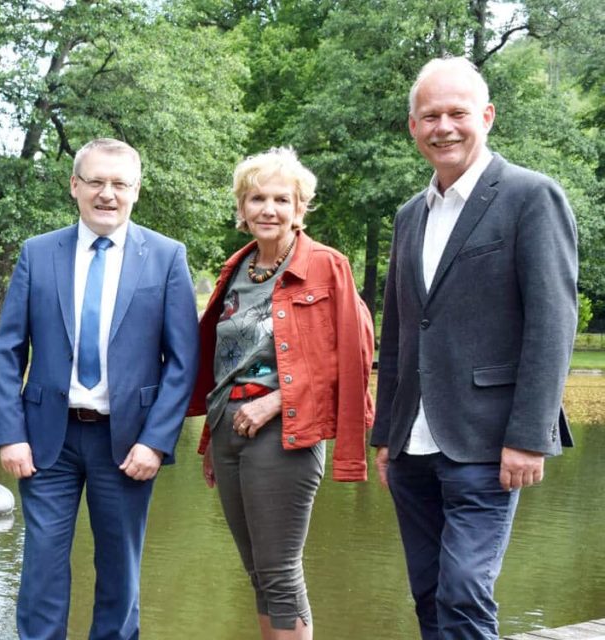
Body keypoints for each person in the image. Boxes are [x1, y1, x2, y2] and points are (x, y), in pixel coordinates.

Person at [372, 57, 578, 640]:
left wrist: (529, 436)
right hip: (412, 445)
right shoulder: (411, 215)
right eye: (430, 116)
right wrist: (385, 434)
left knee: (464, 591)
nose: (444, 127)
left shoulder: (531, 197)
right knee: (430, 593)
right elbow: (402, 331)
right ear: (413, 127)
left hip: (488, 442)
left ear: (485, 116)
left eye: (457, 113)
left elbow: (552, 323)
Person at [0, 138, 200, 639]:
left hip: (127, 442)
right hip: (47, 439)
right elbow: (8, 352)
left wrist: (155, 441)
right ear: (75, 186)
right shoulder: (38, 254)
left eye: (120, 184)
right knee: (41, 569)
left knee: (120, 575)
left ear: (136, 191)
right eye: (97, 182)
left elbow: (183, 362)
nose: (108, 194)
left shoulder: (167, 257)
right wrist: (9, 434)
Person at [187, 148, 374, 639]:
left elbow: (352, 355)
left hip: (286, 433)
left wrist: (278, 402)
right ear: (242, 209)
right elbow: (224, 364)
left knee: (280, 571)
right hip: (229, 428)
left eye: (281, 199)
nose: (268, 209)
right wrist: (212, 437)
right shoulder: (236, 269)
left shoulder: (327, 267)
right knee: (257, 573)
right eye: (256, 198)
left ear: (299, 209)